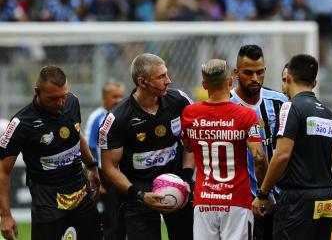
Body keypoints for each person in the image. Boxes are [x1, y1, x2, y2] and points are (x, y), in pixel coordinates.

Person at [0, 65, 102, 240]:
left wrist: (92, 166)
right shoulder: (21, 123)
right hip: (46, 197)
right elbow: (2, 171)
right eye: (53, 98)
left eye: (63, 96)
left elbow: (76, 134)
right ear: (37, 92)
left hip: (79, 188)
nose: (60, 103)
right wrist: (6, 216)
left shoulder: (72, 102)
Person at [100, 53, 194, 240]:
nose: (168, 80)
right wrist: (140, 194)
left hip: (178, 185)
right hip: (139, 194)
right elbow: (109, 167)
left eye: (166, 74)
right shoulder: (117, 118)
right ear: (142, 82)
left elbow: (189, 143)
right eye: (161, 77)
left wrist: (186, 178)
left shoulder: (179, 101)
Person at [252, 54, 332, 240]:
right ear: (314, 83)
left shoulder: (290, 107)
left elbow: (282, 155)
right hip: (326, 198)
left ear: (289, 78)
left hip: (298, 200)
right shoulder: (328, 114)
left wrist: (263, 192)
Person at [181, 59, 268, 240]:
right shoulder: (246, 115)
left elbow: (188, 146)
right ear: (230, 82)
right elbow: (259, 156)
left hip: (204, 201)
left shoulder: (189, 113)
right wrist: (263, 192)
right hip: (236, 200)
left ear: (204, 85)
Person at [230, 44, 287, 240]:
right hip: (239, 202)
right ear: (236, 72)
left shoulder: (280, 102)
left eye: (259, 72)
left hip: (278, 200)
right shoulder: (226, 105)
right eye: (248, 73)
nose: (255, 79)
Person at [84, 80, 125, 240]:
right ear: (104, 98)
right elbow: (89, 148)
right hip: (105, 175)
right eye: (114, 96)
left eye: (121, 96)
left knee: (124, 217)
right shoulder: (97, 117)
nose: (118, 100)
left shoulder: (125, 115)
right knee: (110, 218)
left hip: (125, 174)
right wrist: (96, 176)